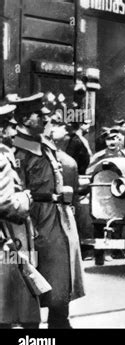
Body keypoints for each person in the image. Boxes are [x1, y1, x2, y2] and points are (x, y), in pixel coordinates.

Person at [12, 93, 85, 328]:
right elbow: (17, 192)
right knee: (29, 281)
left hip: (58, 220)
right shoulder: (17, 151)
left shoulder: (44, 143)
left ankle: (60, 322)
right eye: (39, 115)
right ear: (24, 119)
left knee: (61, 276)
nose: (46, 117)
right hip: (34, 223)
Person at [0, 103, 41, 329]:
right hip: (8, 243)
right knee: (23, 309)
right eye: (10, 128)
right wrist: (25, 199)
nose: (14, 133)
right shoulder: (2, 159)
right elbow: (6, 204)